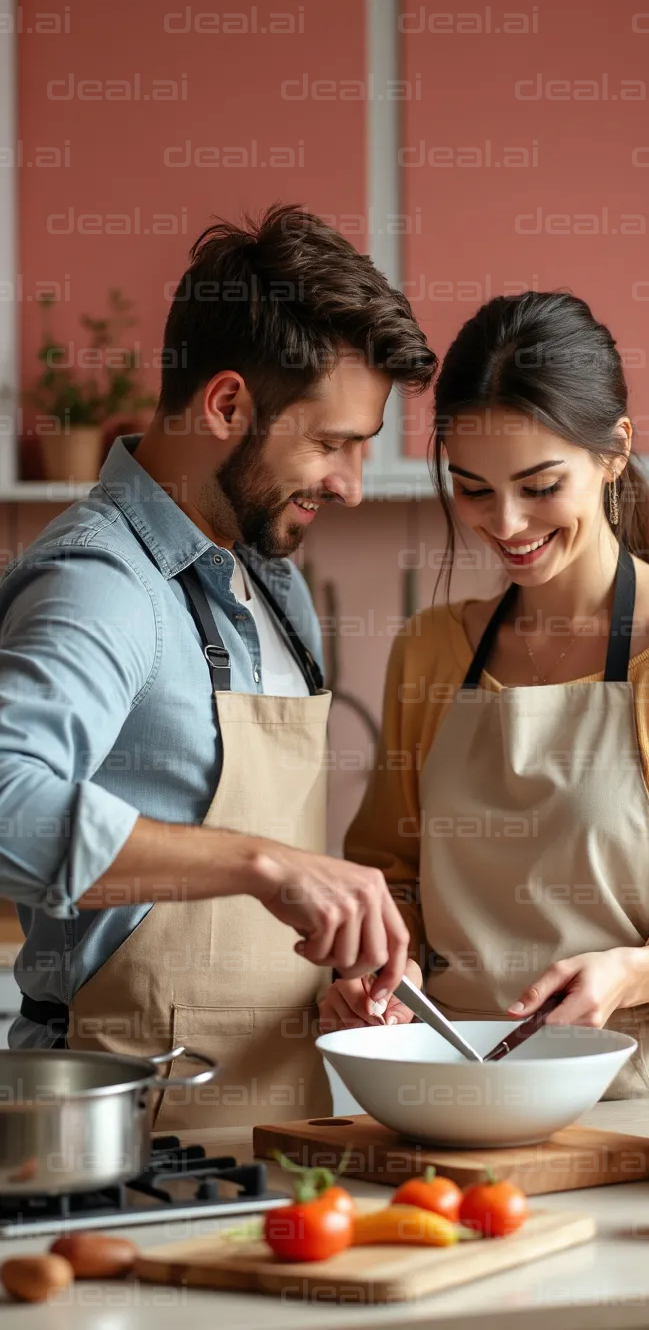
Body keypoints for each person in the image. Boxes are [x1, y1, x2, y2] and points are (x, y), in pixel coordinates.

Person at [0, 204, 437, 1129]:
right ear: (227, 405)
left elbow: (237, 922)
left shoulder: (268, 579)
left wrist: (327, 990)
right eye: (332, 443)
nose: (351, 486)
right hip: (125, 1143)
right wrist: (266, 864)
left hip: (277, 1129)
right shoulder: (101, 582)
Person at [325, 291, 649, 1096]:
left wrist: (629, 974)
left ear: (615, 453)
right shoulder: (429, 651)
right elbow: (393, 875)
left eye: (539, 485)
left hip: (641, 1099)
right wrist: (384, 966)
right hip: (450, 1087)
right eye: (473, 489)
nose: (506, 523)